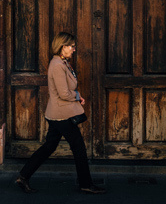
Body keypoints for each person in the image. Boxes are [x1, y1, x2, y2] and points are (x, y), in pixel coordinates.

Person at [16, 32, 106, 194]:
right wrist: (77, 96)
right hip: (62, 115)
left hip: (57, 113)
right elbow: (64, 94)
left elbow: (65, 91)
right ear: (62, 47)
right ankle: (85, 183)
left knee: (49, 146)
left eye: (73, 46)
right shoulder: (57, 65)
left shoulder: (62, 63)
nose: (74, 49)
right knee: (78, 148)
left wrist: (77, 96)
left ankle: (23, 176)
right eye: (71, 46)